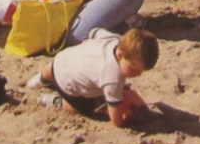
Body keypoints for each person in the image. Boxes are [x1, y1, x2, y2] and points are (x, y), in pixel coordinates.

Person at [29, 27, 158, 128]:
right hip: (68, 85)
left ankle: (38, 81)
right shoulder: (114, 78)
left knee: (58, 63)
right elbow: (115, 115)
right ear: (120, 55)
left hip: (59, 61)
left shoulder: (114, 39)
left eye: (142, 71)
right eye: (134, 68)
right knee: (85, 108)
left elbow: (94, 31)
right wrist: (122, 122)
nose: (138, 74)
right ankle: (52, 101)